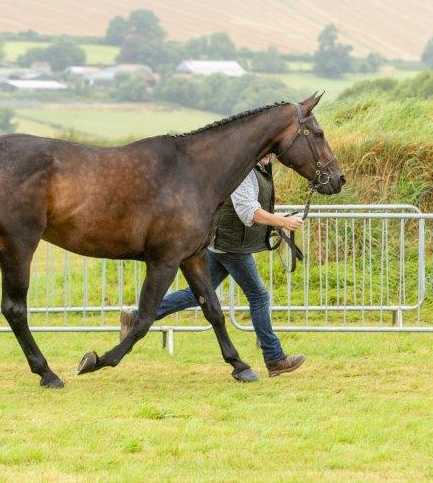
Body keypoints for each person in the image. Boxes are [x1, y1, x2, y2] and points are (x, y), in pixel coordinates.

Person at [120, 154, 306, 377]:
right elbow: (248, 211)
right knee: (259, 296)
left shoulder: (255, 168)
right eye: (269, 150)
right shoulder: (244, 170)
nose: (271, 155)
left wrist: (279, 219)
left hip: (223, 243)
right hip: (231, 246)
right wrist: (283, 222)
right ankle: (275, 358)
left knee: (197, 294)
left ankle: (137, 316)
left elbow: (253, 207)